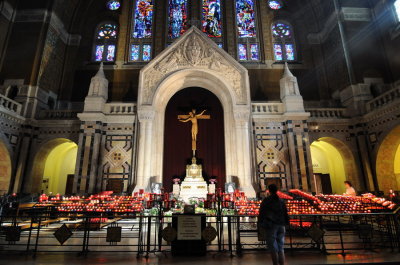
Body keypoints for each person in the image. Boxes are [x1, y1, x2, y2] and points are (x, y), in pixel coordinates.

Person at [258, 184, 289, 265]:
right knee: (281, 247)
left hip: (272, 225)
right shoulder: (281, 201)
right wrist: (286, 223)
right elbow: (285, 213)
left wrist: (260, 223)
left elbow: (262, 212)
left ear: (269, 190)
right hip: (281, 225)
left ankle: (275, 263)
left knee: (273, 247)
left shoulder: (266, 201)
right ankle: (282, 263)